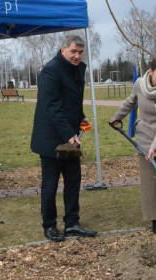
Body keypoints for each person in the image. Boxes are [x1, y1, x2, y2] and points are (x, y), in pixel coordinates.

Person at [30, 35, 97, 242]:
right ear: (63, 51)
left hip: (70, 138)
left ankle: (72, 223)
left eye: (80, 52)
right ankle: (49, 226)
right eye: (73, 51)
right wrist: (69, 134)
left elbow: (72, 102)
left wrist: (81, 117)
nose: (77, 56)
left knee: (73, 181)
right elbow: (52, 107)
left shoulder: (77, 70)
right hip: (50, 139)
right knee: (50, 185)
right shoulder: (50, 71)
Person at [109, 57, 156, 235]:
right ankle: (155, 219)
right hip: (144, 139)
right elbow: (131, 102)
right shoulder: (139, 84)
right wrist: (117, 117)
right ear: (151, 72)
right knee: (150, 182)